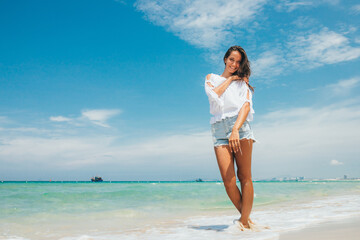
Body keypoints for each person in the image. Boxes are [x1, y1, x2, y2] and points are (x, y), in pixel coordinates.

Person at [204, 45, 256, 231]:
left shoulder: (244, 83)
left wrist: (235, 129)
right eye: (232, 59)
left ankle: (243, 222)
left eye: (238, 62)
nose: (234, 64)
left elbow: (246, 106)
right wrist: (232, 78)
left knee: (245, 176)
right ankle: (247, 219)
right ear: (225, 59)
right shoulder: (211, 78)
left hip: (239, 127)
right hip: (218, 129)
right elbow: (215, 94)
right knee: (228, 181)